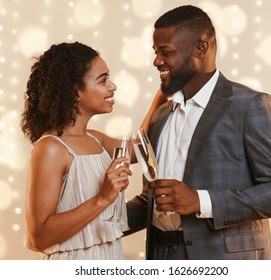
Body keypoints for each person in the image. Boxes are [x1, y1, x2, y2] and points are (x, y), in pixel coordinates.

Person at [126, 5, 271, 260]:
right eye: (155, 52)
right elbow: (152, 199)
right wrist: (88, 224)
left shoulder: (251, 105)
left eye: (166, 52)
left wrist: (200, 200)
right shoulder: (161, 115)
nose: (157, 61)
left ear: (201, 48)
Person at [20, 42, 164, 260]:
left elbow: (140, 148)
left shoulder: (96, 139)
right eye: (103, 80)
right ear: (75, 91)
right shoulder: (50, 148)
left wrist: (160, 98)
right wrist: (103, 198)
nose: (112, 86)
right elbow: (38, 236)